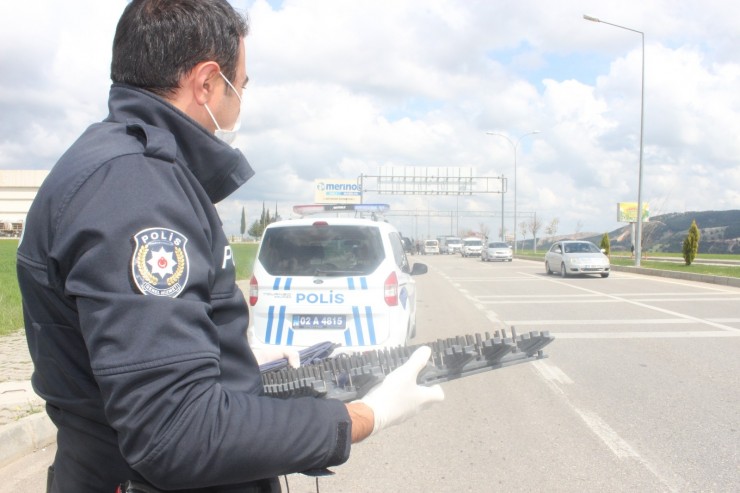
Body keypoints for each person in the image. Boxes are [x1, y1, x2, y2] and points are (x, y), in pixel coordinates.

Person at [16, 1, 443, 492]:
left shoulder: (124, 170)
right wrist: (361, 417)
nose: (240, 101)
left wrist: (242, 369)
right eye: (240, 86)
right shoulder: (135, 191)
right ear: (206, 82)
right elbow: (177, 432)